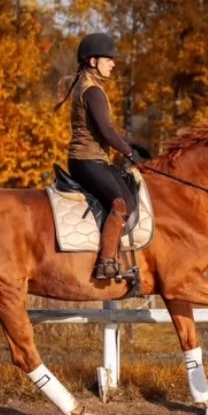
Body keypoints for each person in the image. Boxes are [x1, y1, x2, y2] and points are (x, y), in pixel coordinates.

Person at [53, 32, 152, 280]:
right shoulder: (92, 90)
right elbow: (106, 131)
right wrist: (129, 154)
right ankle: (105, 263)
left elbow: (104, 129)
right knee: (121, 203)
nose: (113, 63)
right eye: (109, 59)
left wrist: (133, 144)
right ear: (93, 61)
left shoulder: (88, 86)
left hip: (92, 159)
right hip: (86, 161)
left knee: (129, 198)